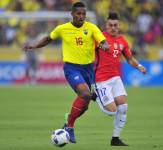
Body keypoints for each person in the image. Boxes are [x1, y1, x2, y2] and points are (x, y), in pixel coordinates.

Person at [23, 1, 109, 144]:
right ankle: (69, 127)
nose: (81, 16)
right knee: (86, 94)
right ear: (72, 14)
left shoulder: (92, 27)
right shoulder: (63, 28)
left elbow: (103, 41)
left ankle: (69, 120)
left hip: (88, 70)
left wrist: (104, 45)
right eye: (78, 14)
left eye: (83, 14)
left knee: (84, 105)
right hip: (71, 68)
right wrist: (34, 46)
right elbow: (48, 39)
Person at [94, 12, 147, 146]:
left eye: (115, 25)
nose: (113, 27)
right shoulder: (99, 38)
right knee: (112, 112)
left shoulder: (122, 41)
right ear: (106, 25)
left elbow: (129, 58)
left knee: (123, 106)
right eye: (110, 25)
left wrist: (139, 66)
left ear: (119, 26)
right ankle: (94, 96)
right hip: (101, 79)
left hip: (115, 78)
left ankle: (115, 138)